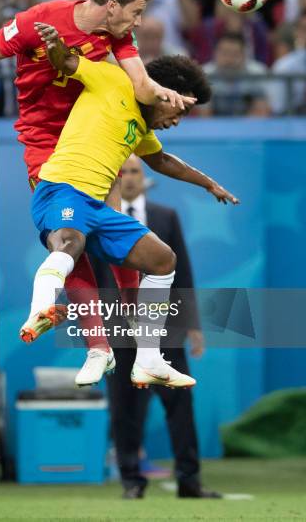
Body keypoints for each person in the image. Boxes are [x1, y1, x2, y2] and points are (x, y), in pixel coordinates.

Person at [0, 0, 197, 387]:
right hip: (45, 142)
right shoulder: (36, 20)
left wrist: (171, 96)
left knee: (120, 229)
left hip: (92, 136)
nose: (138, 22)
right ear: (111, 5)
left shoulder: (120, 36)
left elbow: (143, 85)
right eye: (134, 12)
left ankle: (139, 343)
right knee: (69, 235)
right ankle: (98, 346)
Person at [18, 21, 239, 390]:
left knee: (163, 259)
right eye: (178, 112)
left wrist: (208, 183)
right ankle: (41, 308)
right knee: (71, 244)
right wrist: (56, 45)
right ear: (166, 92)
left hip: (97, 209)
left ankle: (149, 359)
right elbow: (67, 64)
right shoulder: (112, 79)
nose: (175, 122)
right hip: (60, 191)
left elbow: (163, 162)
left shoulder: (142, 128)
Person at [91, 154, 221, 499]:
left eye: (134, 171)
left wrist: (193, 325)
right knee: (124, 409)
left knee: (180, 405)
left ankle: (189, 481)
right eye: (123, 172)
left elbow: (184, 272)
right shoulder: (100, 221)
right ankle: (132, 482)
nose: (129, 178)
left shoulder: (166, 217)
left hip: (165, 328)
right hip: (118, 329)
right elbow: (90, 277)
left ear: (143, 176)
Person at [200, 32, 271, 117]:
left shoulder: (256, 73)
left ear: (244, 55)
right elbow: (205, 116)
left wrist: (239, 128)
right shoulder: (205, 75)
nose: (229, 59)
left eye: (235, 54)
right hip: (216, 127)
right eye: (225, 53)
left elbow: (261, 112)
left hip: (247, 127)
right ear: (215, 53)